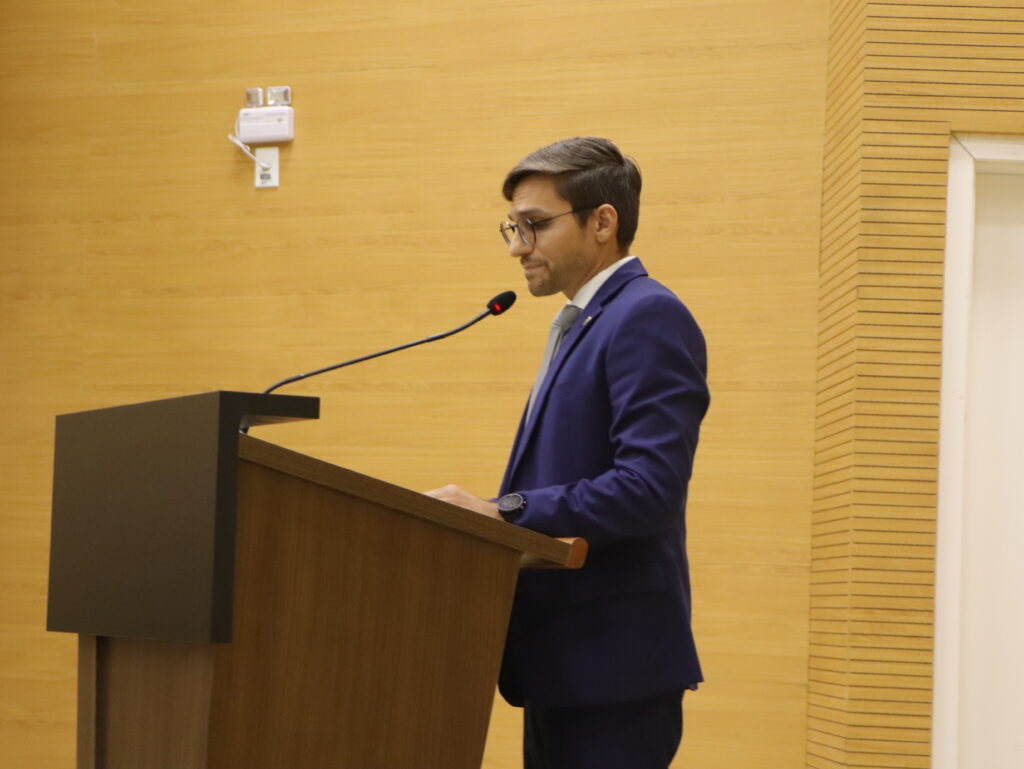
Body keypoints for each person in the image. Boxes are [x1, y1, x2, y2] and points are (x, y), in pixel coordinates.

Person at [426, 137, 709, 769]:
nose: (517, 247)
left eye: (535, 225)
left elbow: (649, 488)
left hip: (613, 666)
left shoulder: (647, 316)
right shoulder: (589, 321)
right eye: (512, 227)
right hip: (567, 660)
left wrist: (504, 510)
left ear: (602, 222)